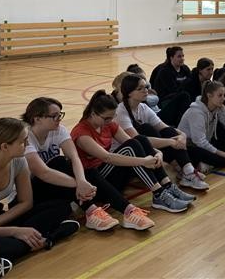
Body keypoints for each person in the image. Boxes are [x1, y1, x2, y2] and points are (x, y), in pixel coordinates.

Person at [0, 118, 79, 279]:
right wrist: (16, 231)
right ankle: (48, 238)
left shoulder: (19, 161)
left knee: (61, 207)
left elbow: (26, 202)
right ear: (5, 147)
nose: (27, 144)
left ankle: (7, 251)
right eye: (23, 141)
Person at [72, 91, 192, 231]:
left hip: (112, 177)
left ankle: (167, 186)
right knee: (131, 148)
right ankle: (159, 193)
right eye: (106, 118)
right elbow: (107, 157)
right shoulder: (81, 133)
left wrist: (157, 153)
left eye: (112, 117)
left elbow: (134, 142)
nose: (110, 121)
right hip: (95, 182)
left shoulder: (108, 124)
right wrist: (142, 161)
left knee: (139, 139)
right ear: (93, 114)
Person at [22, 97, 118, 231]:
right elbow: (43, 173)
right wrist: (79, 184)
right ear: (37, 119)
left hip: (53, 185)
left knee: (88, 171)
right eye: (54, 116)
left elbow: (74, 157)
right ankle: (91, 211)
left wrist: (82, 181)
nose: (59, 119)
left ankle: (128, 210)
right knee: (58, 162)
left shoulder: (59, 130)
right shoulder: (25, 137)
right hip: (30, 192)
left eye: (60, 115)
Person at [116, 75, 208, 191]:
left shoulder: (143, 107)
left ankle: (187, 170)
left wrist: (181, 135)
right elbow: (138, 141)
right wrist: (171, 142)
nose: (146, 90)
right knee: (146, 129)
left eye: (146, 87)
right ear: (129, 93)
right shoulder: (121, 111)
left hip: (149, 153)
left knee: (168, 131)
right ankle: (184, 172)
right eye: (140, 88)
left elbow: (164, 127)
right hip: (128, 158)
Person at [178, 81, 225, 173]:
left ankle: (210, 163)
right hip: (189, 147)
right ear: (209, 96)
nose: (224, 98)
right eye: (220, 95)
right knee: (199, 151)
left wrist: (223, 108)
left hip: (206, 143)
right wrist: (224, 154)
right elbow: (200, 142)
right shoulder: (196, 112)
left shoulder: (216, 108)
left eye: (224, 95)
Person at [152, 47, 193, 126]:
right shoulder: (165, 71)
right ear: (171, 57)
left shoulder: (185, 69)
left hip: (181, 96)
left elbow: (191, 84)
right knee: (184, 96)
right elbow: (173, 90)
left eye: (183, 56)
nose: (182, 59)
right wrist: (186, 83)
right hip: (166, 101)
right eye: (179, 56)